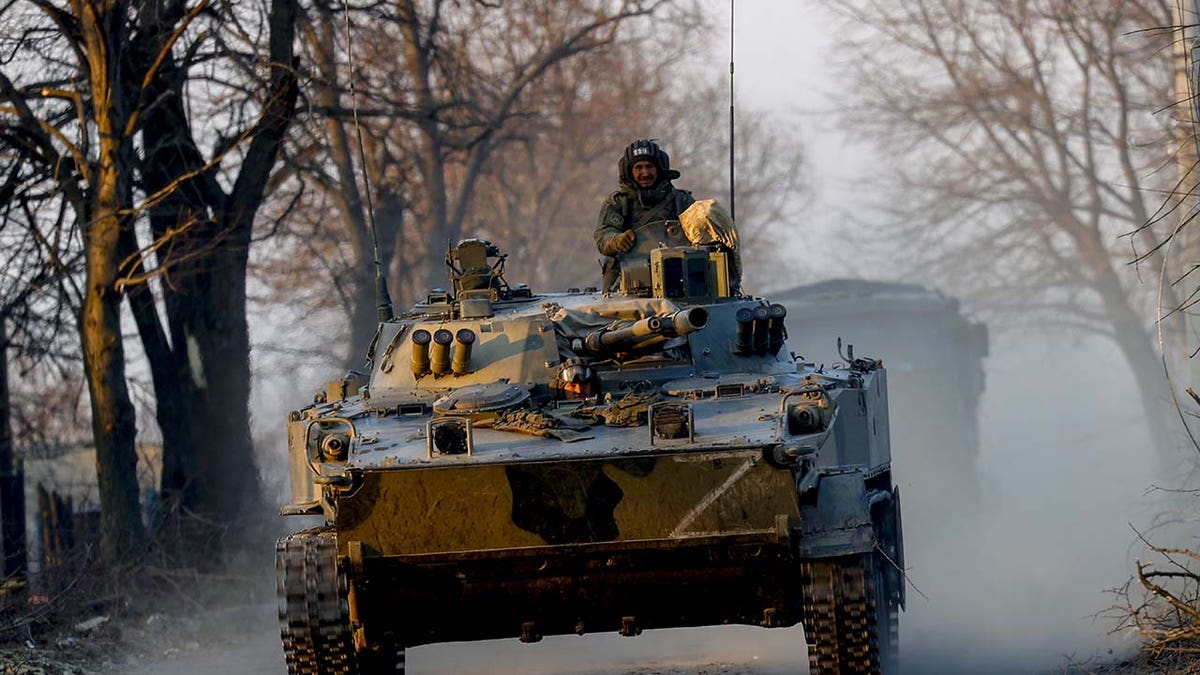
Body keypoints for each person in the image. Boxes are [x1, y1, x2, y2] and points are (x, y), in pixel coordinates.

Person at [594, 139, 695, 290]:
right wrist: (617, 240)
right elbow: (604, 235)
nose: (645, 173)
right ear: (629, 172)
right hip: (627, 283)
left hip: (678, 281)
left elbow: (702, 233)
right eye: (638, 167)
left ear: (659, 168)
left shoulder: (681, 201)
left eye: (650, 166)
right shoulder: (619, 203)